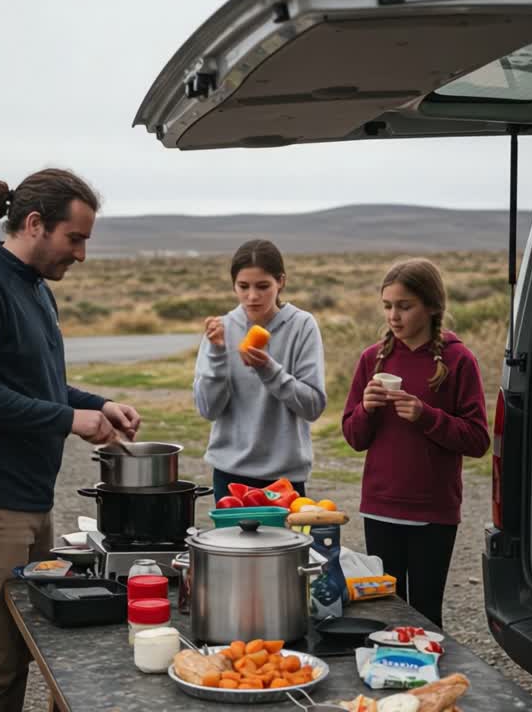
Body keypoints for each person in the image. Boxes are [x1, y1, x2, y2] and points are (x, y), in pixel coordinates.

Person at [0, 168, 141, 712]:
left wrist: (96, 405)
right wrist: (67, 420)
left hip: (27, 500)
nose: (80, 254)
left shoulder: (33, 289)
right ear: (34, 224)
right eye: (74, 238)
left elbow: (39, 385)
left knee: (24, 652)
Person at [341, 258, 490, 628]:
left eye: (404, 306)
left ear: (432, 306)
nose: (394, 316)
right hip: (379, 507)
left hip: (433, 512)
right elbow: (354, 437)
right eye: (388, 306)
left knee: (425, 617)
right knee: (386, 613)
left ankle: (429, 683)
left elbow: (477, 440)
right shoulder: (371, 360)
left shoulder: (458, 361)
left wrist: (427, 416)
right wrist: (366, 409)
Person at [195, 239, 327, 500]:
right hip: (229, 472)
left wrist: (269, 370)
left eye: (263, 286)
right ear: (233, 285)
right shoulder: (221, 329)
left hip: (285, 477)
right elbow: (208, 409)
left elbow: (312, 407)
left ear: (281, 282)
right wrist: (218, 353)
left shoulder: (302, 326)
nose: (252, 296)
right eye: (243, 287)